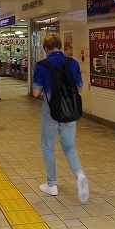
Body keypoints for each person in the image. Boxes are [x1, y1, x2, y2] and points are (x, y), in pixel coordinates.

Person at [32, 33, 89, 202]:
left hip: (50, 113)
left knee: (48, 147)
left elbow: (35, 92)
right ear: (60, 46)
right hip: (70, 111)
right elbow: (80, 87)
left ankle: (52, 185)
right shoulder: (73, 63)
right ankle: (79, 175)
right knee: (69, 147)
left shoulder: (42, 65)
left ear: (45, 48)